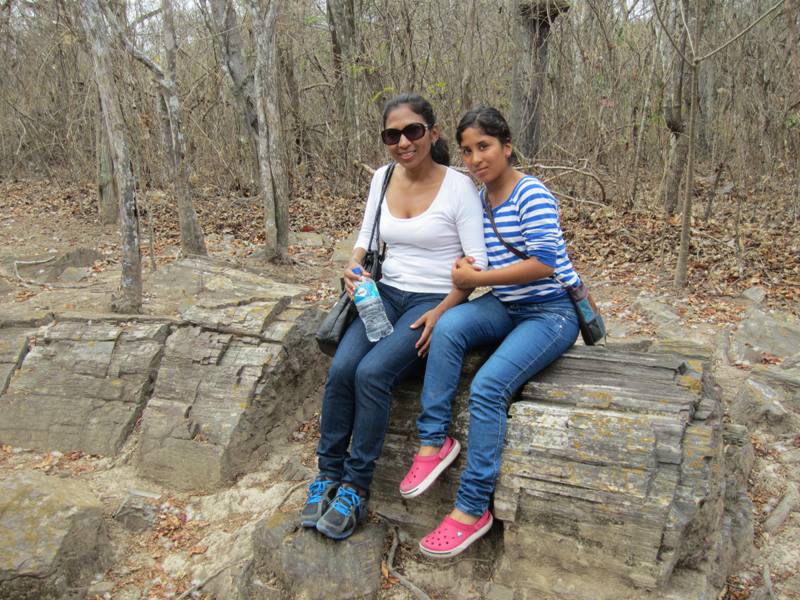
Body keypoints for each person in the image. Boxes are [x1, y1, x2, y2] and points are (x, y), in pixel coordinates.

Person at [302, 94, 488, 541]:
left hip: (431, 300)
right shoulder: (383, 178)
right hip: (382, 293)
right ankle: (326, 474)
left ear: (433, 133)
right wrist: (352, 268)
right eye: (392, 135)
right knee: (343, 368)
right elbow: (366, 237)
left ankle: (355, 486)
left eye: (413, 131)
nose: (403, 142)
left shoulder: (459, 187)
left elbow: (476, 265)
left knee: (372, 373)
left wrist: (442, 314)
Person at [399, 106, 582, 558]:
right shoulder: (479, 200)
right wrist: (453, 291)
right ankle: (433, 440)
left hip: (550, 313)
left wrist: (475, 281)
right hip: (506, 305)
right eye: (467, 150)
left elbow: (544, 264)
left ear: (507, 146)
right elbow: (474, 264)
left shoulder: (531, 194)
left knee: (487, 387)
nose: (476, 158)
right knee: (448, 328)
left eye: (484, 147)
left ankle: (471, 508)